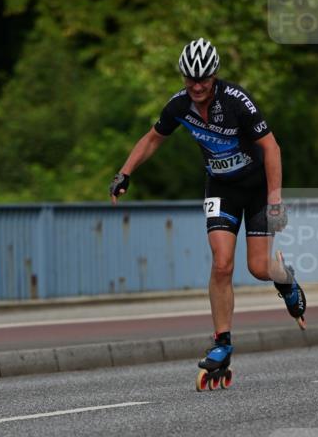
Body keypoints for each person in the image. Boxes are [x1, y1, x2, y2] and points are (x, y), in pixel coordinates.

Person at [109, 38, 306, 382]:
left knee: (259, 268)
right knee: (221, 264)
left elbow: (271, 147)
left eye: (204, 79)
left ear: (214, 75)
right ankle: (222, 342)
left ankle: (285, 281)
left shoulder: (237, 102)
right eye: (190, 79)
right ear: (183, 76)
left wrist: (275, 197)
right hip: (221, 188)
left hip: (257, 189)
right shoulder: (178, 106)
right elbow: (153, 138)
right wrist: (125, 173)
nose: (197, 86)